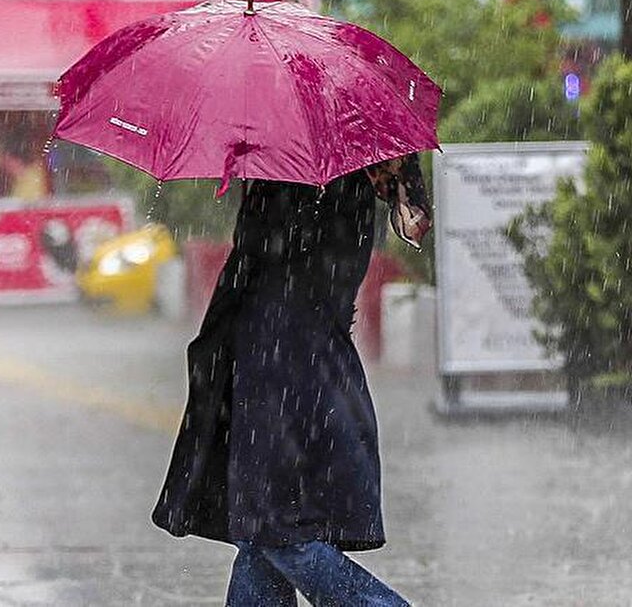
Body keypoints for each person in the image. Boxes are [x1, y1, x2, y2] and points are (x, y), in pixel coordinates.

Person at [151, 156, 431, 606]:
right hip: (307, 358)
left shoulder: (295, 168)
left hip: (279, 362)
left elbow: (265, 257)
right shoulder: (357, 165)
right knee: (259, 530)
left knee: (278, 529)